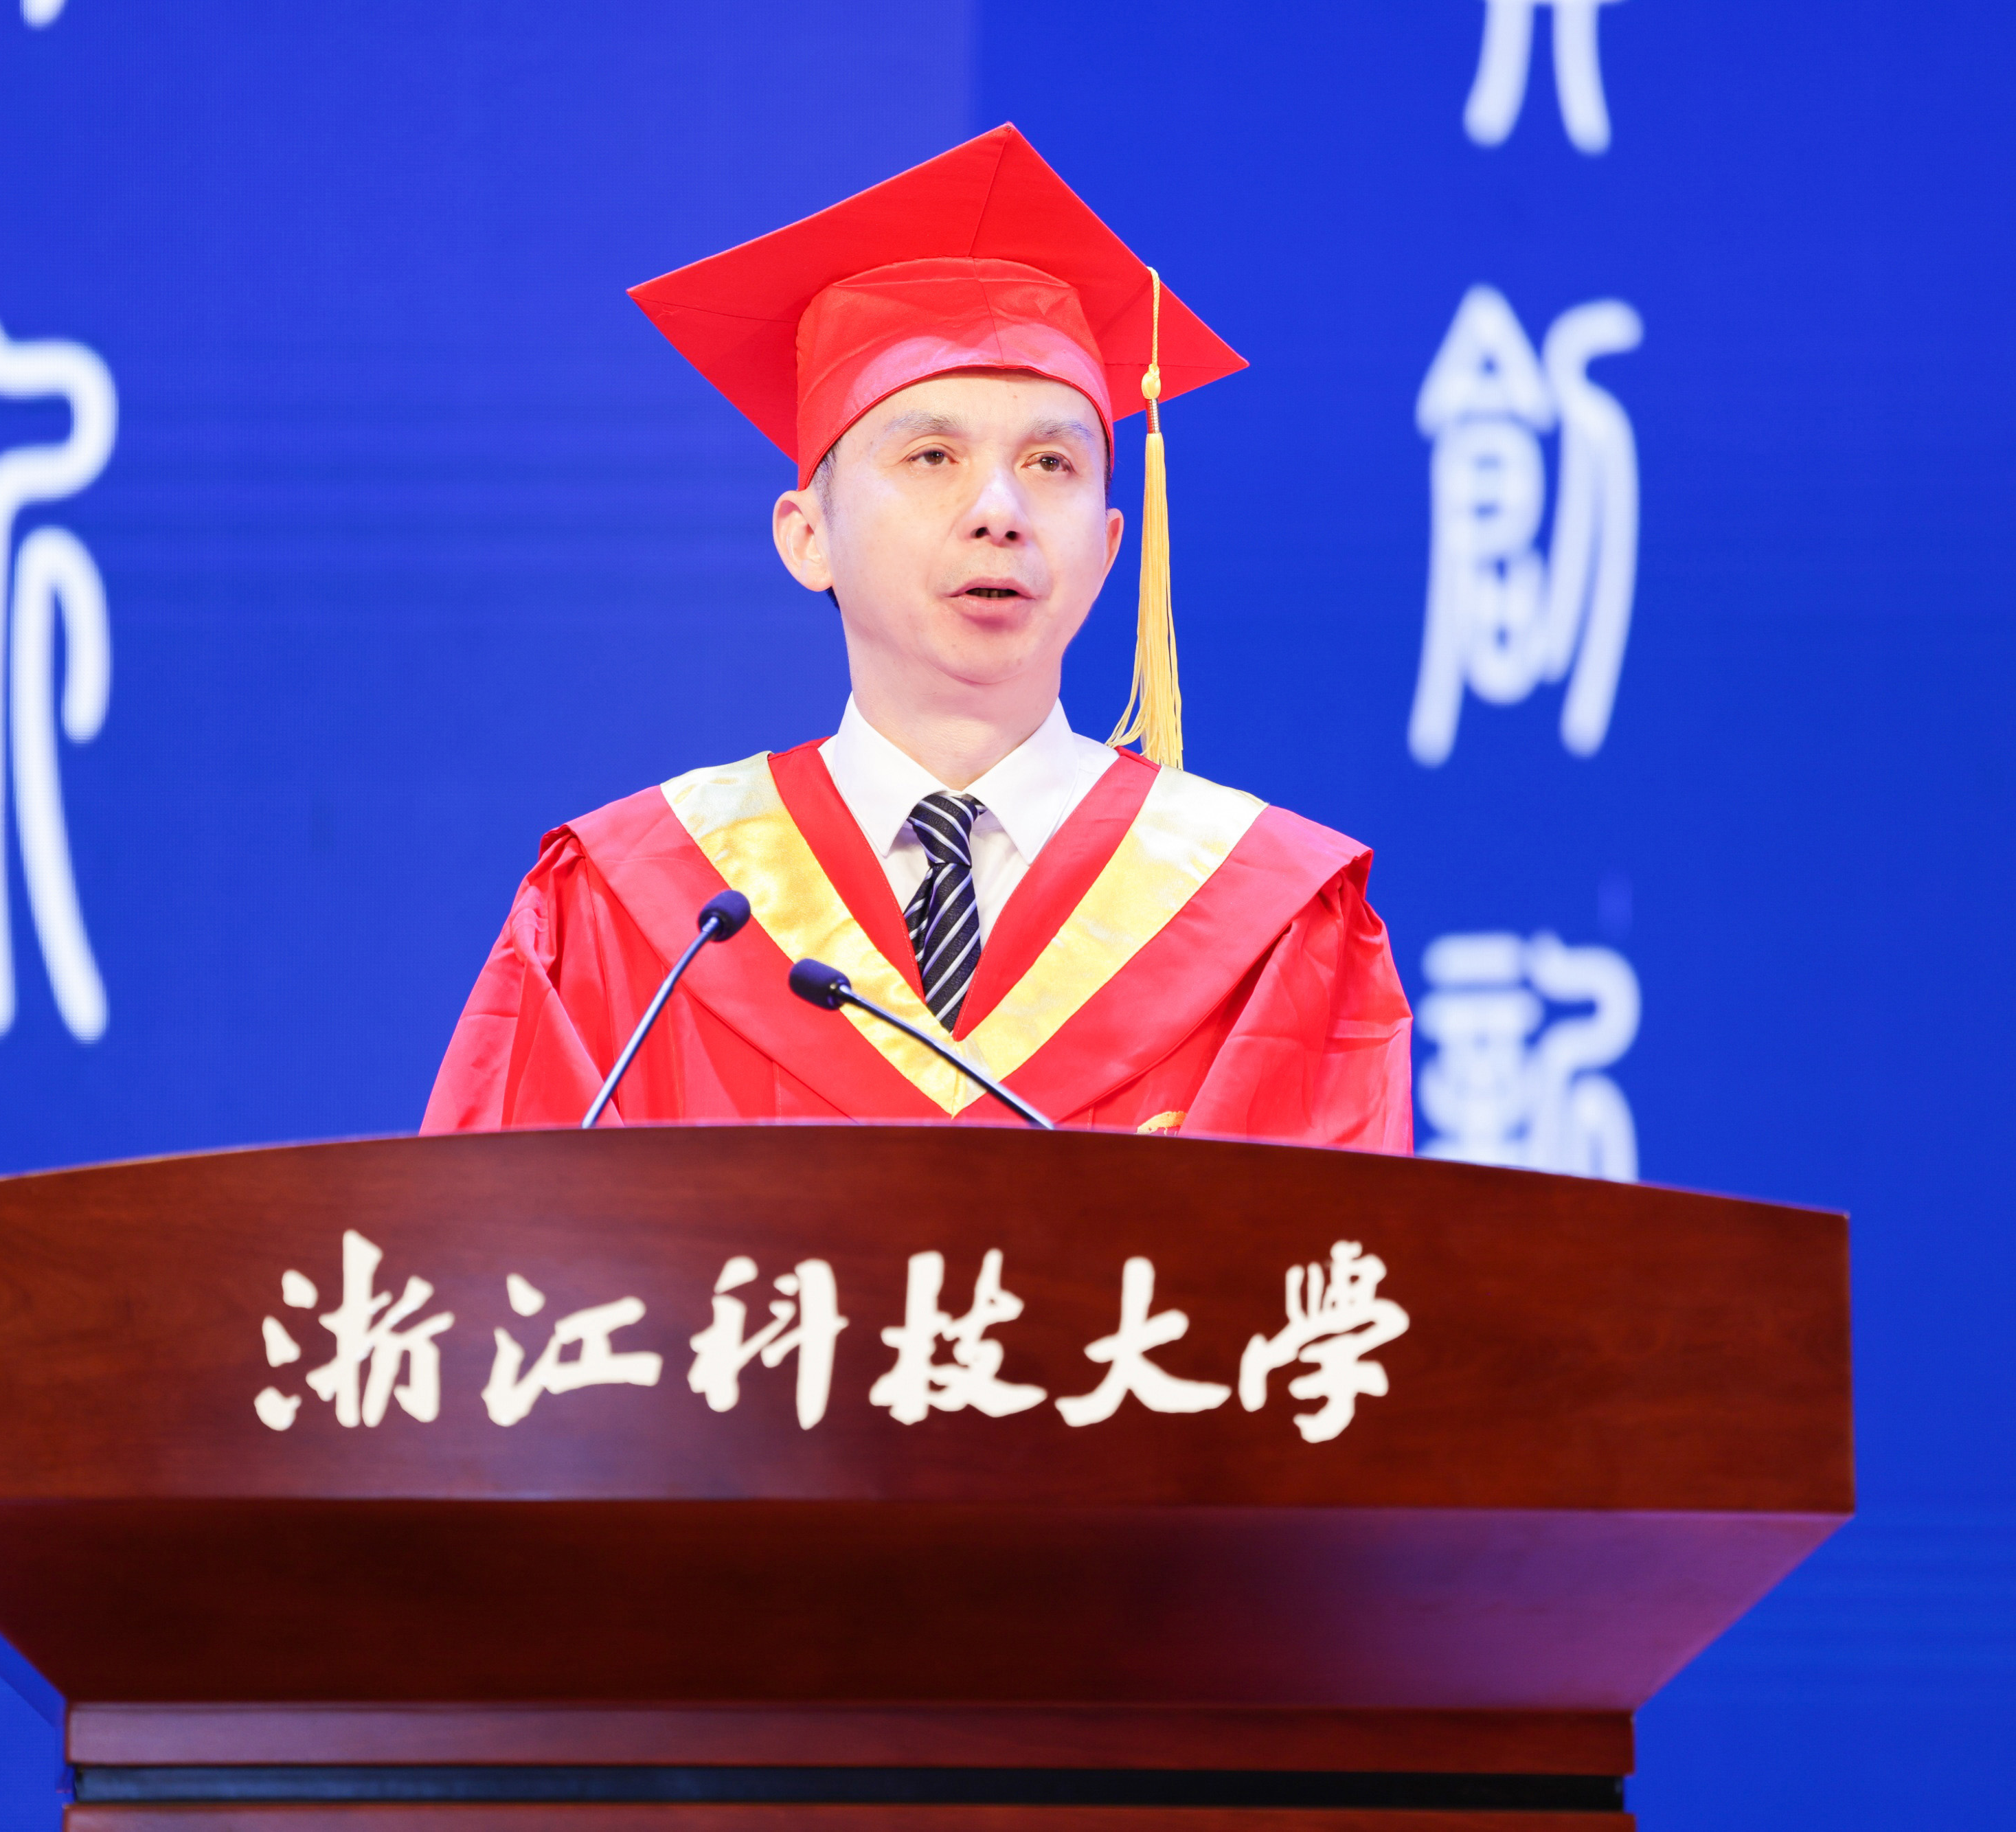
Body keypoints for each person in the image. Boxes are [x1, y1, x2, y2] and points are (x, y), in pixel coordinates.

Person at [424, 124, 1412, 1146]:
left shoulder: (1269, 919)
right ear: (808, 538)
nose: (999, 513)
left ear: (1112, 548)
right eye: (933, 456)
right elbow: (495, 1232)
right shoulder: (637, 909)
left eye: (1052, 465)